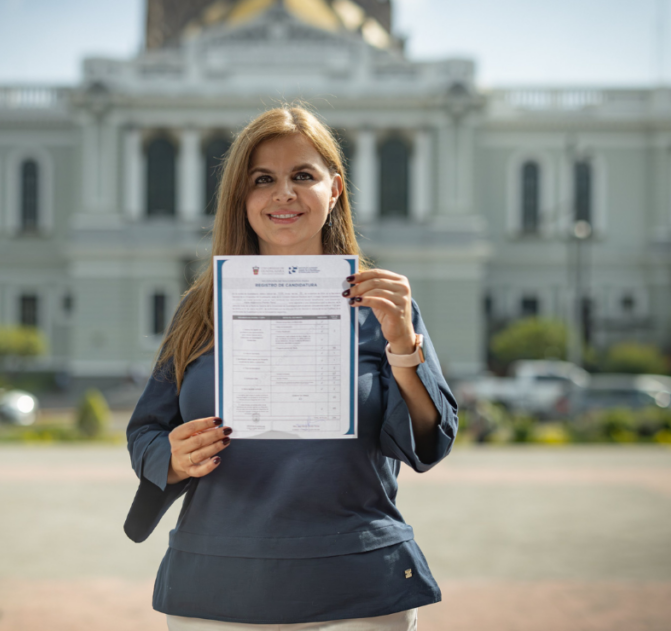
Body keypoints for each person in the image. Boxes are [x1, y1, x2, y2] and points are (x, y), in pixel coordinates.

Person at [125, 105, 458, 630]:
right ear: (242, 197)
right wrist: (169, 457)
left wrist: (402, 345)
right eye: (263, 179)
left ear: (336, 190)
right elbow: (146, 431)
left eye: (303, 175)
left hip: (356, 587)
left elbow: (428, 441)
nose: (284, 193)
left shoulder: (385, 308)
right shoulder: (201, 309)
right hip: (215, 586)